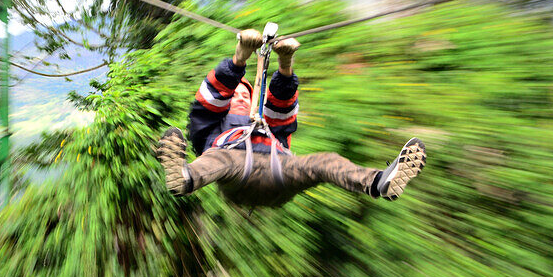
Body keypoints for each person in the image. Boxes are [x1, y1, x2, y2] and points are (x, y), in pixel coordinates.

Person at [156, 29, 426, 207]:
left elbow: (282, 108)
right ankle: (184, 177)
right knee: (216, 158)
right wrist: (239, 59)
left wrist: (285, 64)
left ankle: (379, 182)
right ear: (225, 101)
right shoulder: (213, 127)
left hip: (279, 171)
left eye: (245, 95)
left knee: (326, 162)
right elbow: (209, 100)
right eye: (235, 94)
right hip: (236, 172)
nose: (240, 97)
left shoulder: (268, 126)